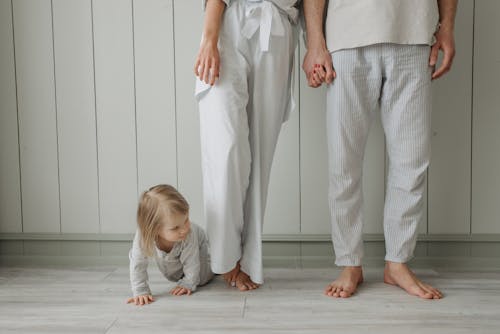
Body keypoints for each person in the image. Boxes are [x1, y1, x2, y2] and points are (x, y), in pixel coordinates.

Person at [302, 0, 457, 299]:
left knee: (412, 159)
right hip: (346, 37)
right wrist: (314, 42)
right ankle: (349, 263)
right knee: (343, 161)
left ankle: (397, 262)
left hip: (414, 34)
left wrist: (447, 27)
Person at [194, 0, 300, 291]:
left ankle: (250, 260)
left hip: (278, 23)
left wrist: (315, 43)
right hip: (228, 21)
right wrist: (209, 37)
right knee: (225, 148)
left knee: (260, 153)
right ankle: (226, 258)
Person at [127, 184, 213, 306]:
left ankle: (220, 263)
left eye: (186, 219)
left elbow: (192, 263)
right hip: (176, 269)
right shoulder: (143, 236)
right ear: (154, 230)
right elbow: (137, 264)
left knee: (201, 278)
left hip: (200, 249)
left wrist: (188, 283)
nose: (184, 229)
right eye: (175, 228)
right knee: (175, 275)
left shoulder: (189, 234)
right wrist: (140, 290)